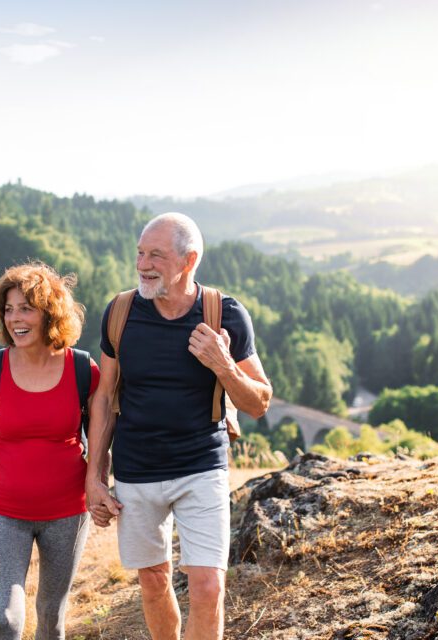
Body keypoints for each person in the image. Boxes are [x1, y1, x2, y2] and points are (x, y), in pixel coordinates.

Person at [85, 212, 272, 640]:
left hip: (201, 467)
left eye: (156, 254)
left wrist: (224, 366)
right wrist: (94, 476)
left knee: (208, 586)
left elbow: (259, 402)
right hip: (136, 471)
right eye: (140, 253)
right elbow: (104, 396)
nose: (143, 264)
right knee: (153, 581)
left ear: (188, 261)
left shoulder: (224, 313)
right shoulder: (120, 312)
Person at [0, 262, 100, 640]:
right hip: (5, 513)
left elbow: (101, 442)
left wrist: (102, 486)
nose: (16, 319)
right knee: (6, 621)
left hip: (67, 513)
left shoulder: (82, 370)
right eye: (9, 310)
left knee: (50, 619)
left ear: (50, 313)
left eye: (26, 308)